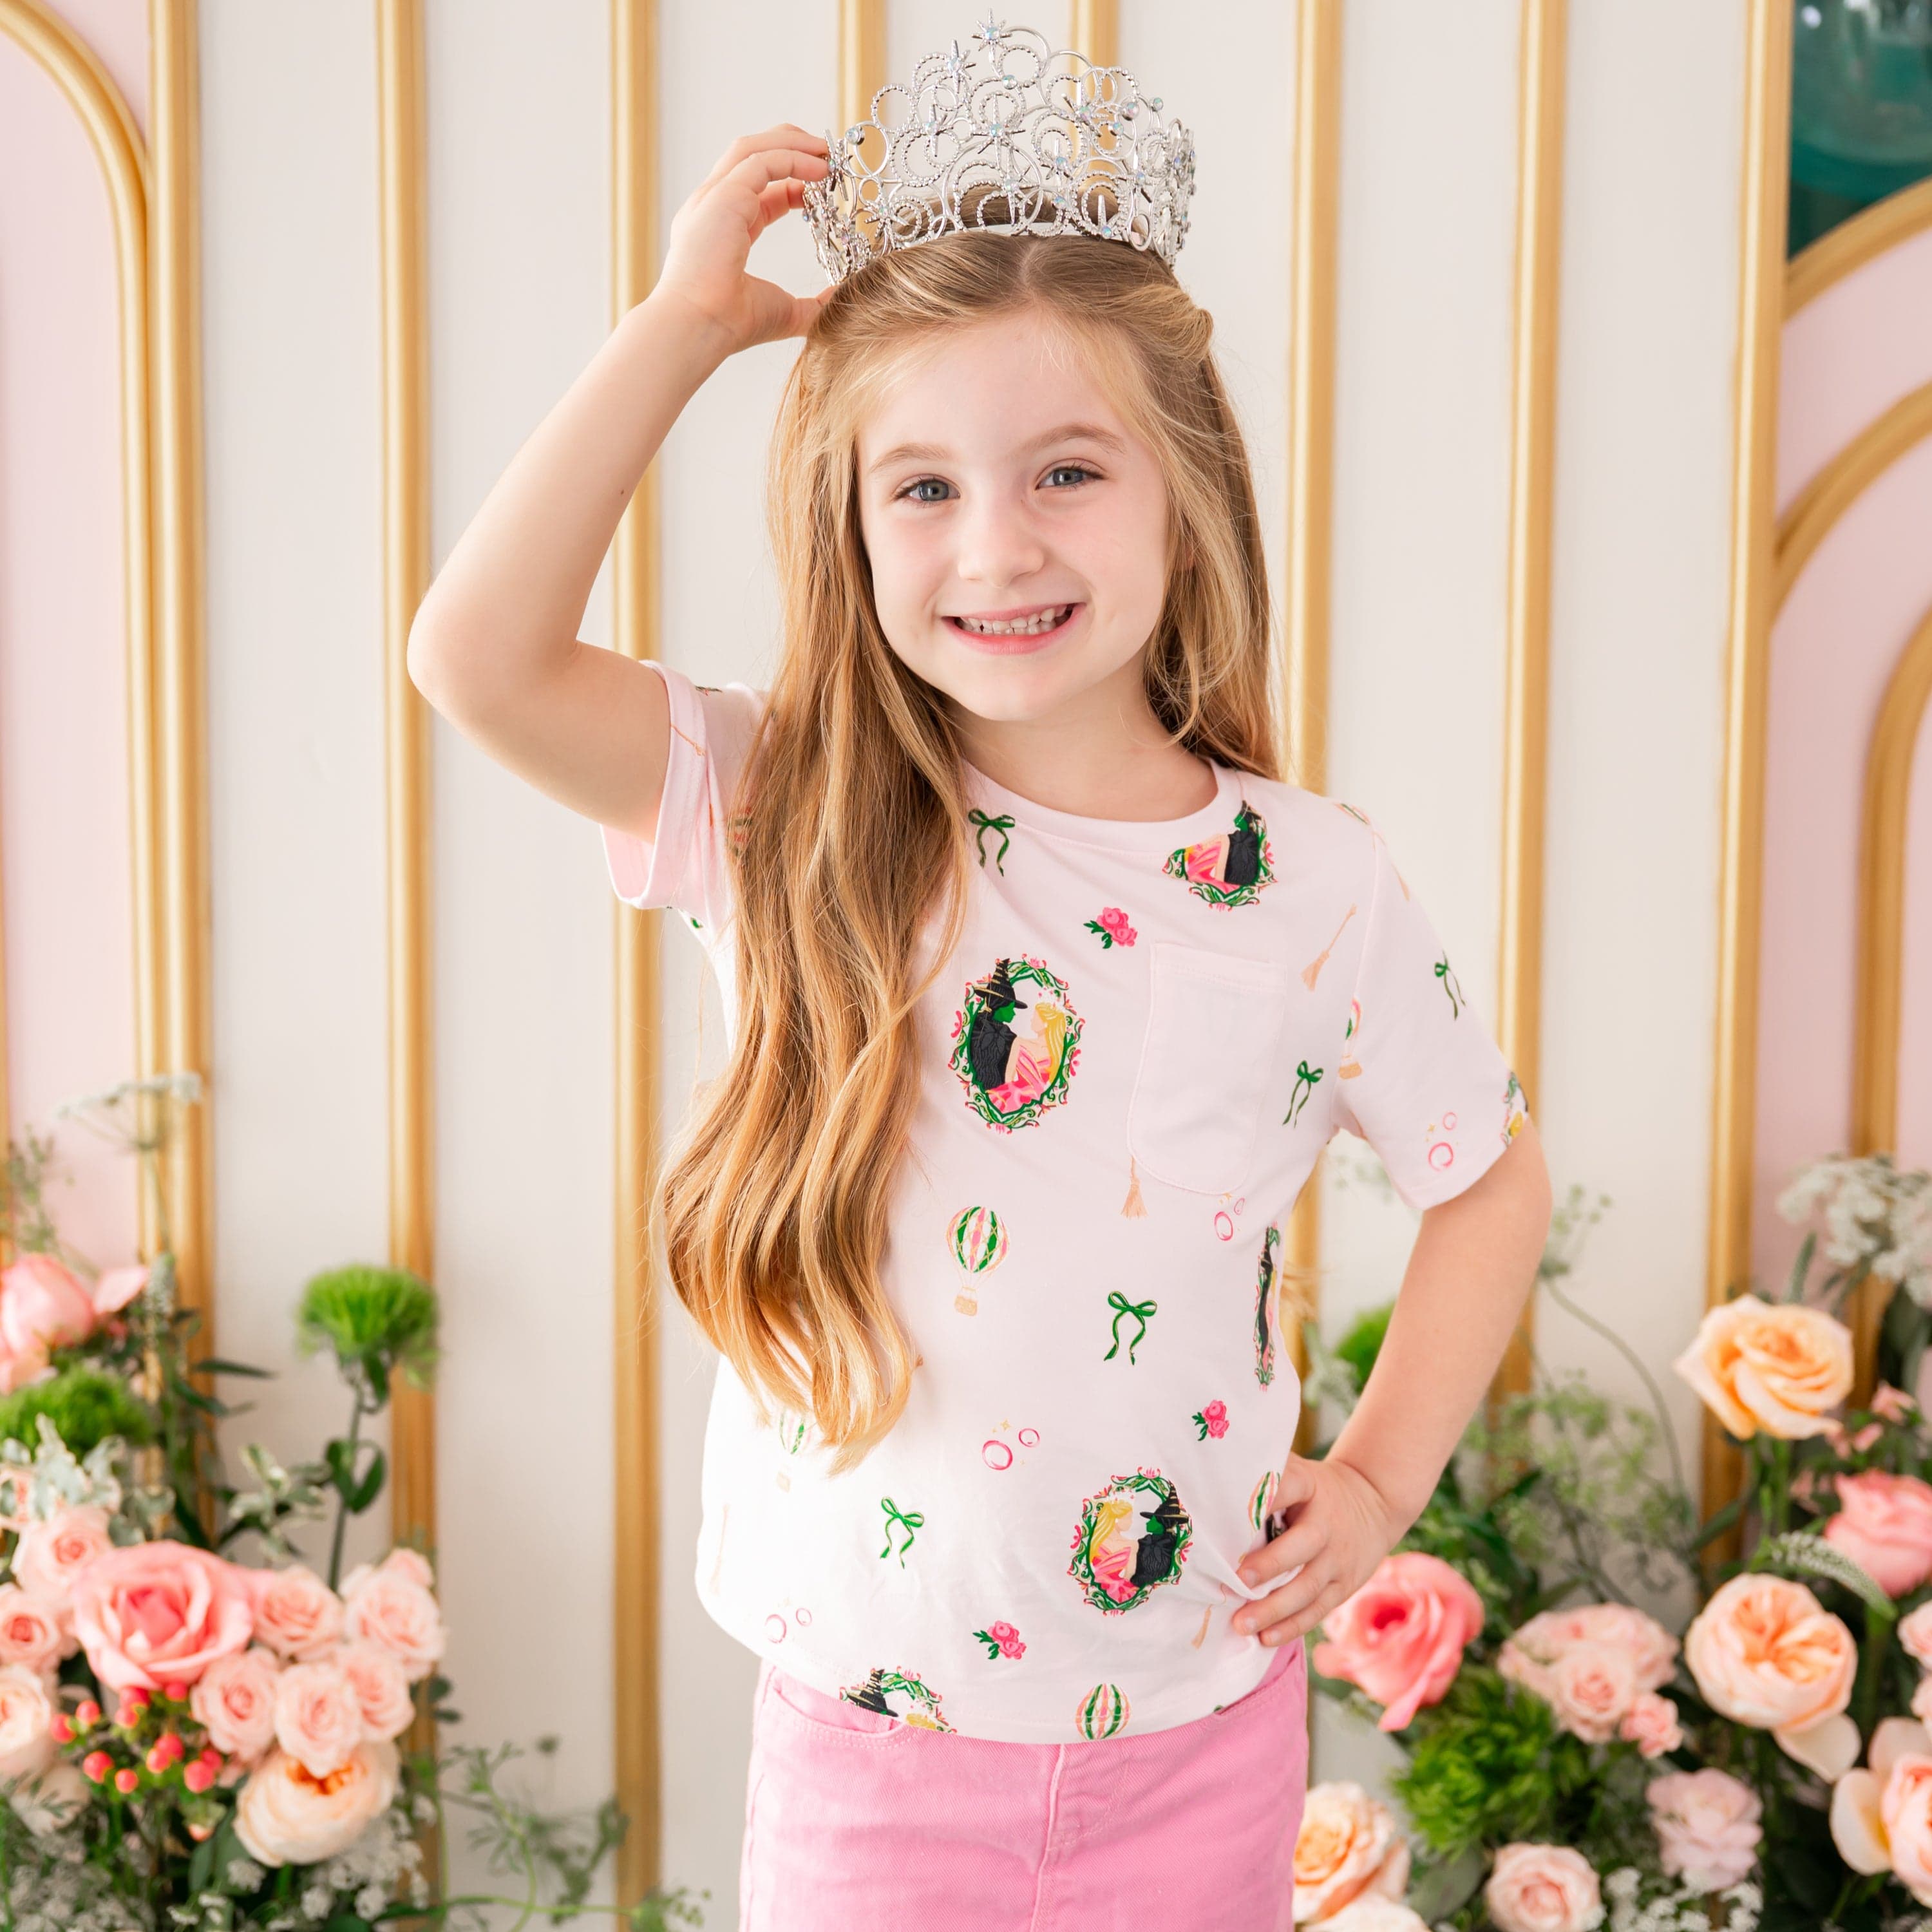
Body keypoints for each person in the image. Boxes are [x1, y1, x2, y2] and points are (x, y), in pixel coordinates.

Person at [406, 23, 1553, 1930]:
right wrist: (685, 330)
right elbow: (480, 656)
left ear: (1186, 497)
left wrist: (1370, 1485)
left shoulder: (1312, 884)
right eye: (920, 488)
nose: (996, 544)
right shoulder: (785, 811)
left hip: (1203, 1732)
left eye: (1067, 471)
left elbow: (1487, 1176)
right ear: (848, 533)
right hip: (876, 1757)